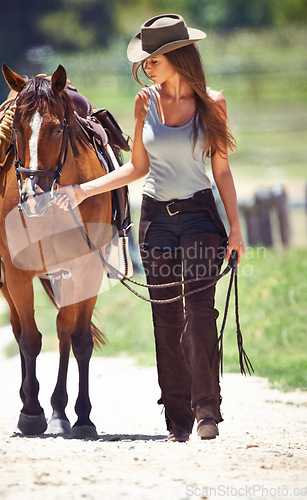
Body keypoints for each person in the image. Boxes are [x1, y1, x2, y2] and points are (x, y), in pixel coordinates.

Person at [55, 13, 245, 442]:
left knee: (198, 314)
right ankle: (176, 417)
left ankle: (206, 412)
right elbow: (137, 167)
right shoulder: (145, 103)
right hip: (156, 220)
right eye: (145, 62)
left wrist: (235, 228)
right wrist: (85, 190)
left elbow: (223, 172)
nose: (145, 68)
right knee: (164, 319)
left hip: (201, 218)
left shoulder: (214, 103)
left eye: (152, 59)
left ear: (174, 56)